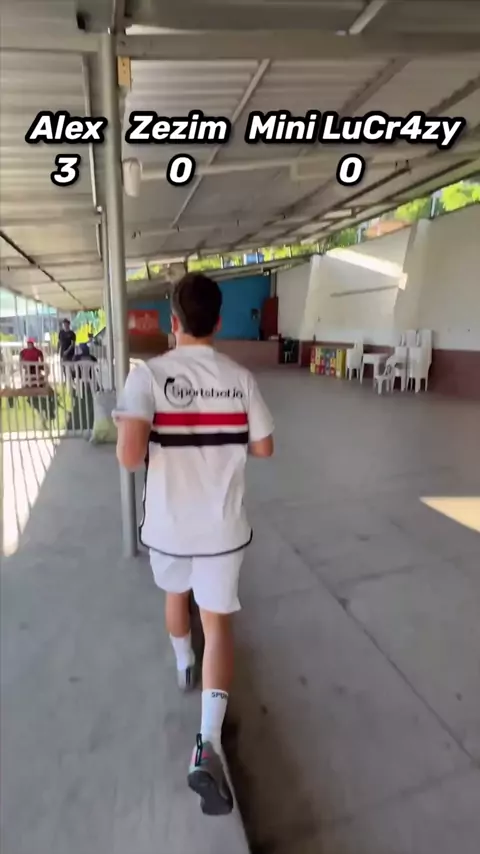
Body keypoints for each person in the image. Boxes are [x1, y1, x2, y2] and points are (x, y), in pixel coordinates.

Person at [114, 273, 274, 816]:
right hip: (222, 529)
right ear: (219, 322)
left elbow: (129, 457)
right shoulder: (239, 377)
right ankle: (206, 743)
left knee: (175, 595)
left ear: (173, 322)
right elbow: (265, 447)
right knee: (219, 623)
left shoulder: (148, 376)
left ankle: (183, 662)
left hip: (168, 526)